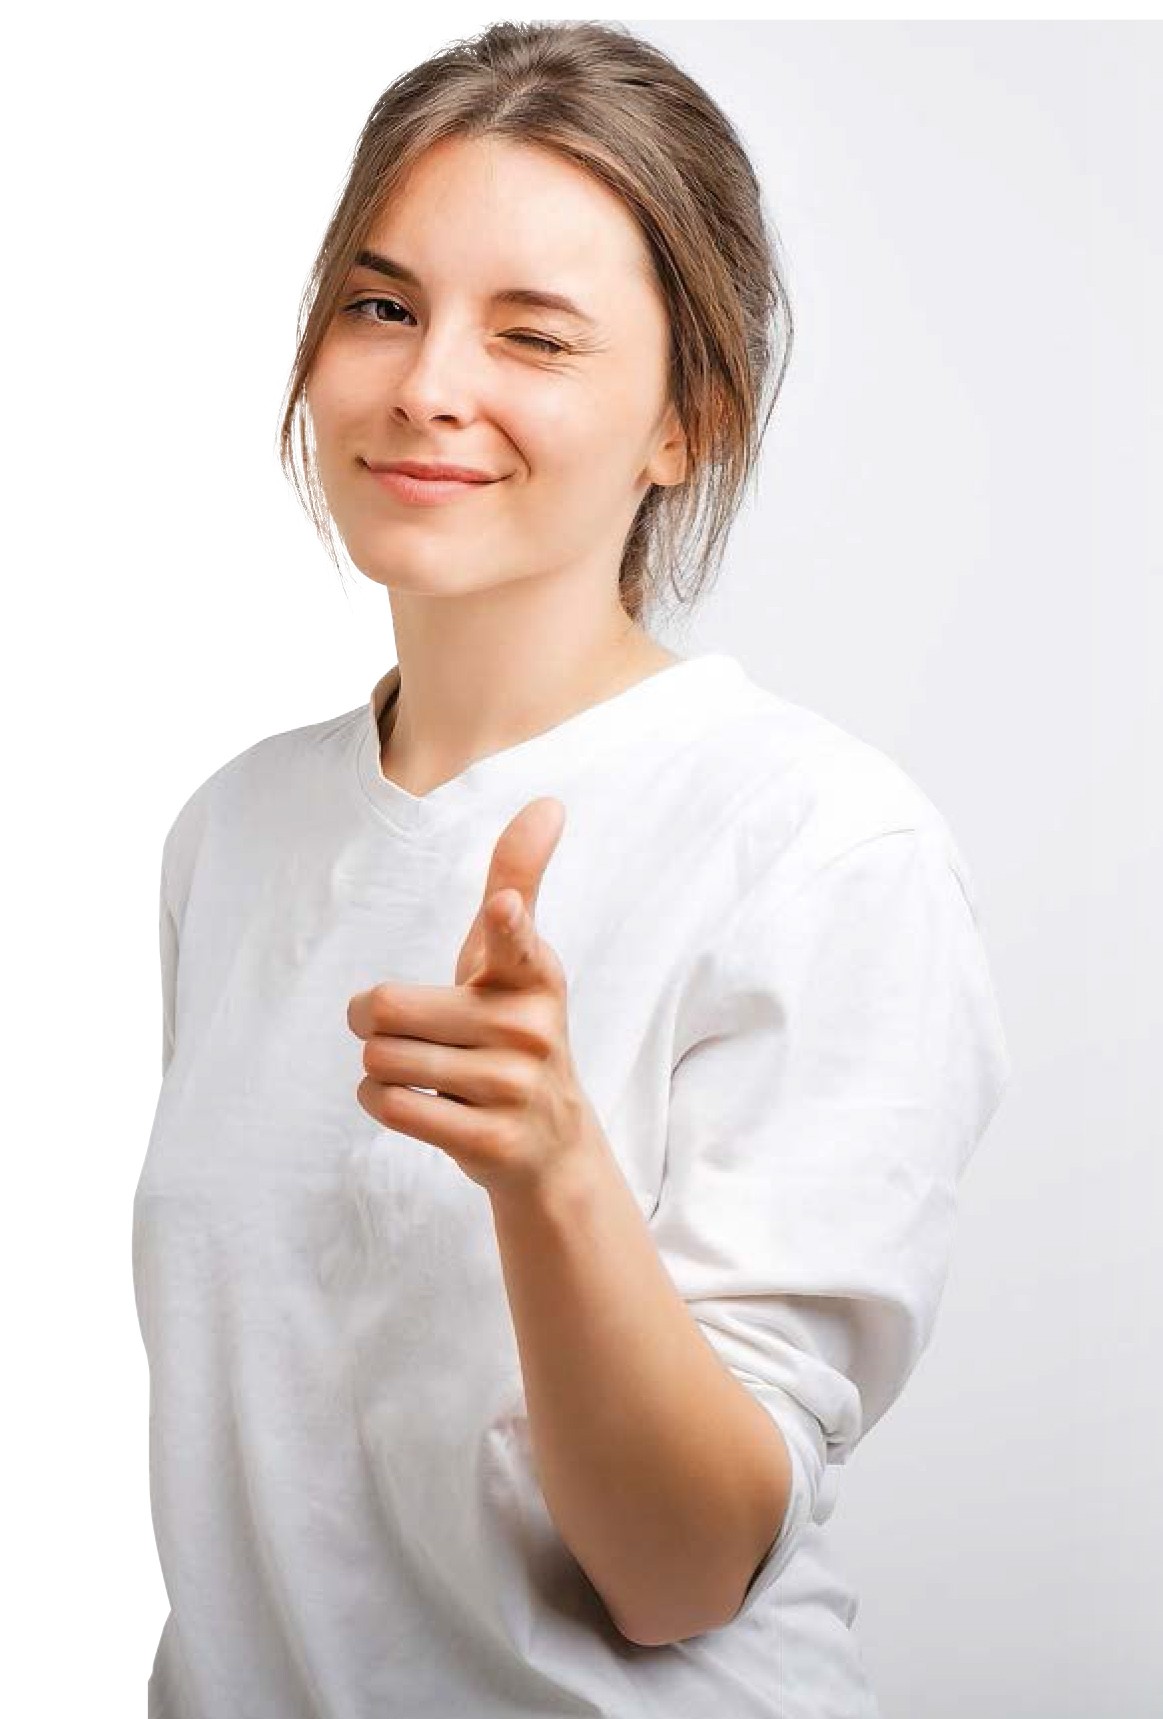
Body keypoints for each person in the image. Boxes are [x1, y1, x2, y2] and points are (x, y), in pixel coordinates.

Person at [133, 21, 1012, 1718]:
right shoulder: (234, 832)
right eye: (381, 306)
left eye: (533, 335)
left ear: (686, 424)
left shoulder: (821, 846)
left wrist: (553, 1176)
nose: (426, 385)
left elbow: (683, 1574)